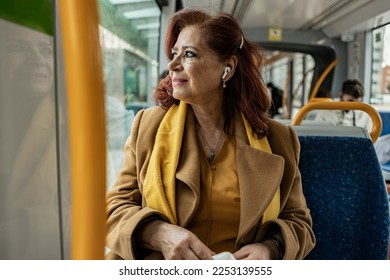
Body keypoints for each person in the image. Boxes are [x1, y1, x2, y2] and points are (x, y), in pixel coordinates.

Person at [105, 8, 315, 260]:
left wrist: (271, 248)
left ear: (227, 68)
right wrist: (155, 232)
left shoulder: (278, 139)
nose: (172, 65)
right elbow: (112, 208)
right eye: (174, 54)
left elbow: (299, 222)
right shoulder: (148, 126)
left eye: (189, 54)